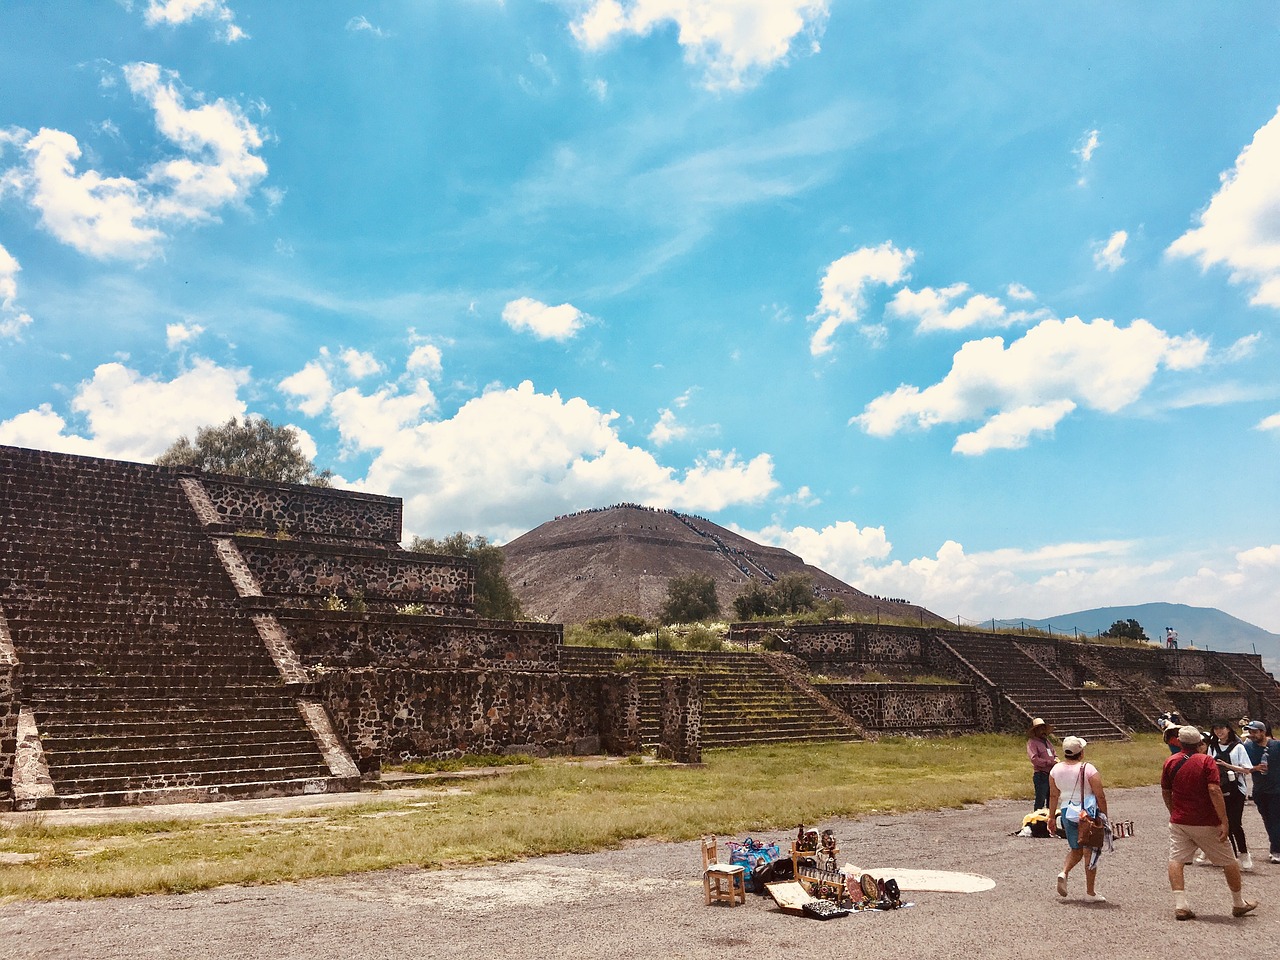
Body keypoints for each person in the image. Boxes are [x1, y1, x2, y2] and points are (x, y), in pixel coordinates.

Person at [1161, 726, 1257, 920]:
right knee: (1229, 860)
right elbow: (1214, 790)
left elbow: (1166, 790)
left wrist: (1173, 811)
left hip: (1180, 820)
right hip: (1205, 819)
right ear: (1199, 744)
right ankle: (1238, 902)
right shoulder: (1206, 761)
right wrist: (1223, 820)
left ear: (1179, 742)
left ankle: (1181, 905)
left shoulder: (1170, 761)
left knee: (1176, 859)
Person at [1046, 735, 1107, 902]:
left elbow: (1053, 795)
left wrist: (1051, 817)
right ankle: (1090, 892)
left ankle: (1064, 872)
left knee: (1076, 849)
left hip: (1066, 811)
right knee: (1090, 851)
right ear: (1080, 752)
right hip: (1086, 813)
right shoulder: (1088, 769)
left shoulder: (1055, 770)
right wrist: (1104, 815)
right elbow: (1099, 794)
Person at [1203, 720, 1253, 870]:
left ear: (1228, 730)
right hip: (1219, 788)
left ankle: (1244, 853)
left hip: (1236, 789)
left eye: (1222, 728)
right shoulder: (1213, 747)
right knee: (1223, 823)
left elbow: (1247, 770)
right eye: (1216, 729)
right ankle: (1232, 856)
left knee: (1235, 823)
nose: (1219, 732)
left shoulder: (1238, 747)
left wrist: (1226, 766)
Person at [1242, 720, 1280, 863]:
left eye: (1254, 732)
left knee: (1276, 819)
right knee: (1268, 819)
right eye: (1250, 732)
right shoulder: (1248, 747)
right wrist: (1255, 768)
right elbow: (1243, 767)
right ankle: (1275, 845)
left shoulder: (1276, 746)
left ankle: (1276, 850)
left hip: (1277, 790)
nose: (1251, 735)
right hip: (1260, 790)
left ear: (1262, 732)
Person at [1027, 718, 1057, 811]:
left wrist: (1056, 759)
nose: (1043, 731)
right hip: (1041, 775)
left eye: (1044, 728)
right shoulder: (1032, 743)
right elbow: (1034, 759)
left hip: (1051, 775)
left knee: (1051, 799)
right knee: (1040, 800)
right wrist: (1049, 762)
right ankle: (1036, 822)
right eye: (1040, 729)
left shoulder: (1047, 742)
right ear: (1036, 730)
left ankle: (1050, 822)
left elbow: (1054, 753)